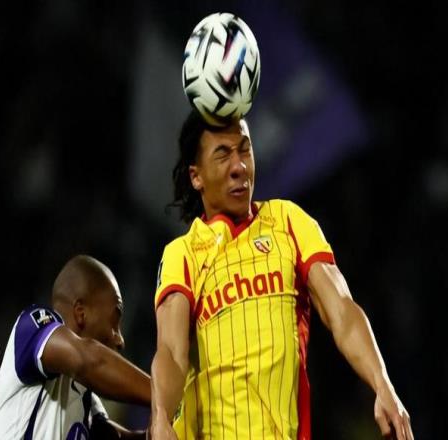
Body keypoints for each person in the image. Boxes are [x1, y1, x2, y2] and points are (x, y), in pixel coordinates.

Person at [150, 111, 414, 440]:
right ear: (196, 176)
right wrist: (160, 419)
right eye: (222, 154)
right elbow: (171, 351)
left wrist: (382, 383)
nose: (239, 166)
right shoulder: (182, 253)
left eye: (245, 150)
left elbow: (342, 310)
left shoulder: (289, 222)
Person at [0, 254, 151, 439]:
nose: (120, 339)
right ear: (81, 313)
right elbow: (88, 361)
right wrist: (162, 395)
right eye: (114, 320)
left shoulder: (84, 399)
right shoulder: (32, 328)